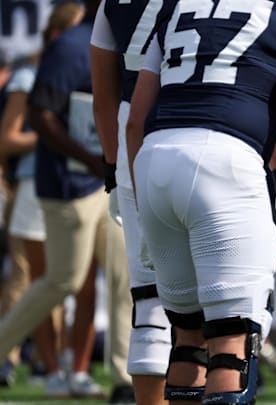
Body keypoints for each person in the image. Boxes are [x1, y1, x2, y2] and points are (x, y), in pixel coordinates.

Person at [124, 0, 276, 403]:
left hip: (155, 157)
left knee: (186, 337)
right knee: (231, 343)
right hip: (226, 163)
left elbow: (136, 120)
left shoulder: (176, 6)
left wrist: (139, 210)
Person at [0, 0, 134, 400]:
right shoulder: (72, 45)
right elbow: (41, 116)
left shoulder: (126, 38)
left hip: (104, 179)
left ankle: (125, 380)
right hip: (67, 183)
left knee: (124, 276)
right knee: (63, 280)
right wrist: (92, 158)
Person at [89, 0, 175, 403]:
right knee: (224, 309)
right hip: (212, 122)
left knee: (150, 300)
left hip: (131, 138)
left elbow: (103, 97)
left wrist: (112, 169)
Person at [0, 2, 85, 391]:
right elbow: (7, 139)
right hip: (35, 185)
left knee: (71, 282)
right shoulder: (28, 76)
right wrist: (57, 133)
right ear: (57, 34)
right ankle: (27, 363)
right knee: (32, 280)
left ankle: (62, 368)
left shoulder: (79, 72)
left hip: (75, 186)